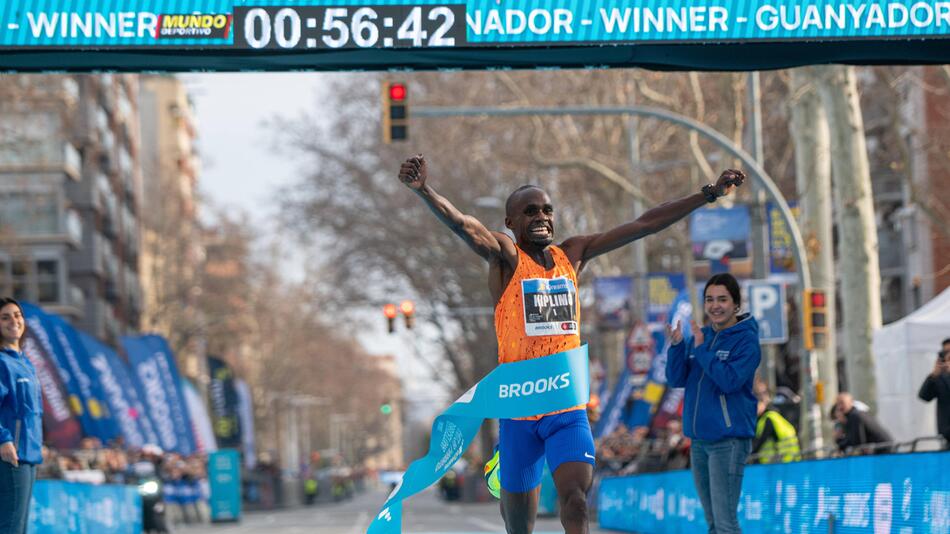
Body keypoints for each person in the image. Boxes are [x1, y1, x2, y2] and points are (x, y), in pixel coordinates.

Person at [398, 154, 744, 534]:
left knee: (576, 501)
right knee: (519, 528)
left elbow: (645, 223)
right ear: (511, 223)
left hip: (566, 406)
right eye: (530, 212)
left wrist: (709, 194)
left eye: (547, 210)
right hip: (518, 411)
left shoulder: (573, 255)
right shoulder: (506, 258)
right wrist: (425, 191)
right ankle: (506, 466)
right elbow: (465, 226)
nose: (542, 217)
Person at [665, 274, 761, 534]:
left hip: (727, 443)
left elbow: (729, 381)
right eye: (709, 299)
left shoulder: (746, 341)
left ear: (736, 304)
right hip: (699, 443)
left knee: (725, 523)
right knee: (713, 524)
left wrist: (703, 351)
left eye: (722, 299)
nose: (715, 305)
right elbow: (676, 379)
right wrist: (676, 346)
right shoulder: (702, 335)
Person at [0, 297, 43, 534]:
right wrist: (3, 439)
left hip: (29, 454)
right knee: (10, 527)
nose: (13, 321)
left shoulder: (25, 362)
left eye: (17, 315)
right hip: (10, 454)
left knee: (19, 527)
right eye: (5, 317)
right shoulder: (2, 362)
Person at [751, 393, 801, 464]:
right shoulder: (774, 416)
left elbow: (760, 441)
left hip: (781, 460)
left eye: (756, 406)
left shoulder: (768, 419)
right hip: (791, 458)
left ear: (762, 404)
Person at [918, 338, 950, 448]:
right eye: (945, 353)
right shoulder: (940, 377)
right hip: (947, 436)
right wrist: (933, 376)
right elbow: (924, 396)